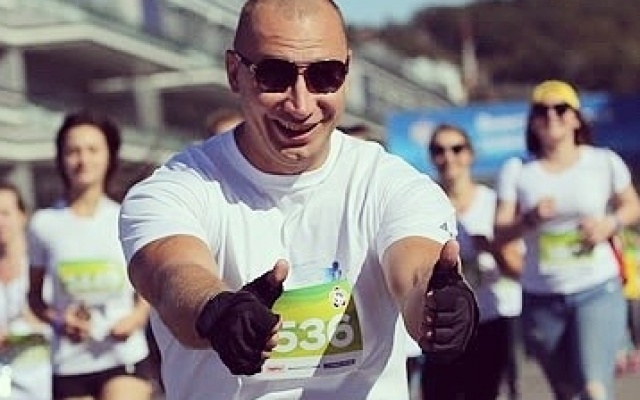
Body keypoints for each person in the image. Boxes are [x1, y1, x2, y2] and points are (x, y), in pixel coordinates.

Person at [118, 1, 479, 399]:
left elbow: (415, 272)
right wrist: (217, 311)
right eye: (275, 75)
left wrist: (436, 305)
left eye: (325, 76)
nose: (301, 105)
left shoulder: (393, 184)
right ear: (234, 72)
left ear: (347, 72)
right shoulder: (174, 188)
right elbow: (171, 274)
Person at [494, 80, 640, 400]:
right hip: (541, 296)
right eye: (541, 110)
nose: (551, 116)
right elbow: (500, 232)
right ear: (532, 122)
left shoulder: (603, 161)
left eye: (560, 109)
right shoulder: (518, 170)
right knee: (566, 392)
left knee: (594, 385)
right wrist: (530, 219)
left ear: (575, 118)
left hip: (597, 287)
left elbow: (632, 206)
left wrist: (609, 224)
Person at [27, 110, 153, 400]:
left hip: (124, 355)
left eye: (93, 150)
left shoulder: (126, 216)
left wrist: (136, 317)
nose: (83, 160)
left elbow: (147, 286)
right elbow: (34, 299)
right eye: (73, 151)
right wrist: (60, 320)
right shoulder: (43, 224)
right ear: (61, 158)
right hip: (70, 363)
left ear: (109, 155)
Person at [421, 124, 523, 400]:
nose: (448, 157)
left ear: (470, 154)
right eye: (439, 150)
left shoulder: (492, 203)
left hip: (489, 318)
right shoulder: (424, 205)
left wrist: (493, 248)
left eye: (457, 149)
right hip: (442, 323)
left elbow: (518, 269)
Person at [0, 181, 51, 400]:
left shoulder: (43, 268)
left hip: (44, 383)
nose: (0, 222)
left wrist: (29, 326)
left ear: (23, 216)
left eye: (5, 213)